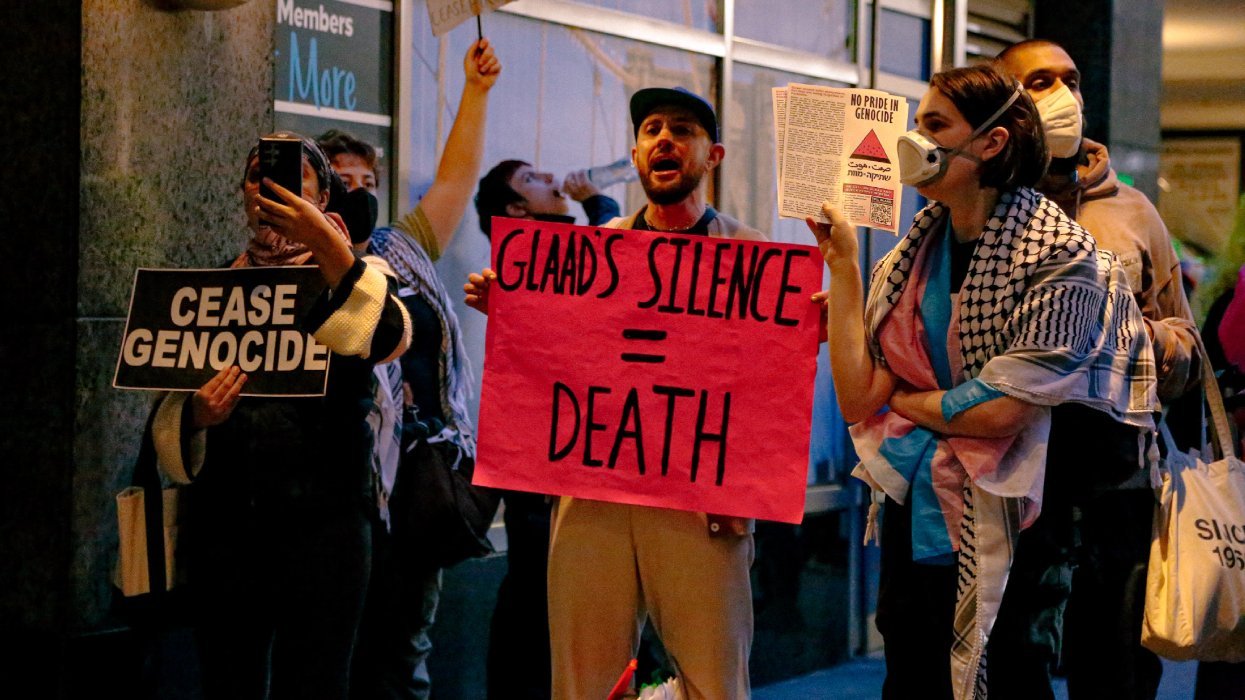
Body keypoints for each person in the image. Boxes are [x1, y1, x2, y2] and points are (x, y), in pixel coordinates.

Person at [808, 64, 1156, 699]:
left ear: (990, 142)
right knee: (913, 669)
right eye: (916, 123)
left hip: (1019, 512)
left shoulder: (1062, 255)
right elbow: (859, 398)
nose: (916, 139)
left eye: (934, 124)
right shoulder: (906, 258)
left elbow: (1002, 411)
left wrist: (907, 400)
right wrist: (843, 266)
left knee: (1009, 673)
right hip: (918, 506)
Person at [465, 86, 764, 700]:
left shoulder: (753, 257)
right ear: (635, 155)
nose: (665, 138)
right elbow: (558, 369)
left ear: (715, 155)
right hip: (592, 491)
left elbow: (767, 392)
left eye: (683, 129)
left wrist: (749, 485)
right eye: (652, 128)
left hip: (701, 498)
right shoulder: (591, 257)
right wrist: (515, 315)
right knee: (582, 685)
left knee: (715, 683)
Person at [147, 132, 411, 699]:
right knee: (227, 679)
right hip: (226, 528)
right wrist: (196, 414)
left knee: (314, 683)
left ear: (323, 195)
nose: (271, 188)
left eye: (297, 179)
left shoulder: (360, 275)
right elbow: (165, 406)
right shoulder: (215, 287)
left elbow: (383, 337)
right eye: (256, 176)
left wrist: (325, 244)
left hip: (327, 530)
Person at [996, 39, 1201, 700]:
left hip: (1115, 478)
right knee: (1013, 656)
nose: (1063, 96)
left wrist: (1151, 345)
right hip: (1012, 475)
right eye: (1038, 81)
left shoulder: (1131, 210)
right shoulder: (983, 206)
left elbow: (1187, 343)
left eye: (1071, 80)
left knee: (1114, 662)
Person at [318, 38, 501, 700]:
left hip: (418, 491)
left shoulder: (404, 245)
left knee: (400, 656)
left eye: (368, 182)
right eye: (341, 183)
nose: (358, 194)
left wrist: (474, 92)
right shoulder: (298, 270)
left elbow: (455, 179)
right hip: (342, 499)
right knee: (334, 656)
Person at [472, 158, 621, 700]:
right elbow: (622, 272)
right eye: (533, 180)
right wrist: (599, 206)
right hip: (543, 464)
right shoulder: (527, 263)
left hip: (569, 458)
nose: (552, 180)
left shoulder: (561, 257)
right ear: (514, 210)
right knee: (536, 596)